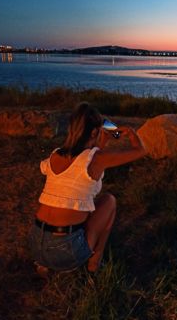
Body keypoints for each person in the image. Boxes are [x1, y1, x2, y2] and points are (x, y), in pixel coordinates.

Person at [30, 102, 146, 273]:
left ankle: (44, 265)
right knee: (109, 201)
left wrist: (100, 142)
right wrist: (131, 132)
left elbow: (82, 164)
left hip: (35, 244)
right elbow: (141, 151)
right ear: (94, 132)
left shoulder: (55, 155)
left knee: (74, 204)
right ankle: (94, 264)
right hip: (66, 253)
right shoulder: (97, 159)